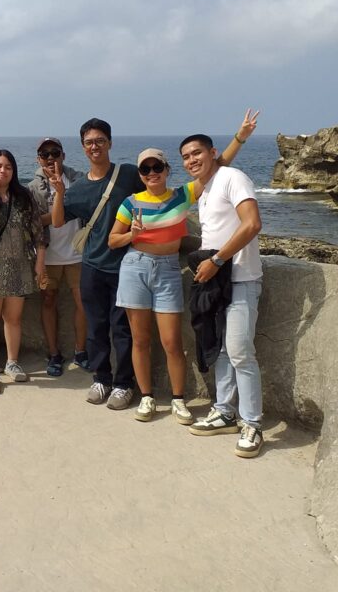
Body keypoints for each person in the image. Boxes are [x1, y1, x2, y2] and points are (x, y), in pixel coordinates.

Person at [108, 111, 256, 425]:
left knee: (172, 342)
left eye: (156, 166)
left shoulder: (181, 196)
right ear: (141, 173)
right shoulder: (131, 202)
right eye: (145, 169)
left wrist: (240, 137)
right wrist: (131, 235)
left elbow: (217, 167)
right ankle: (147, 397)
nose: (151, 172)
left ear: (166, 169)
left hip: (167, 270)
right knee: (139, 339)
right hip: (135, 267)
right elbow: (113, 240)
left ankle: (178, 400)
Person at [181, 130, 266, 458]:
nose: (191, 160)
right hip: (216, 281)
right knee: (220, 350)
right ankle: (224, 411)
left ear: (213, 153)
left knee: (241, 352)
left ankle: (253, 423)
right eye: (186, 157)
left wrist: (216, 260)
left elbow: (252, 224)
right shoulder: (205, 189)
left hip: (241, 278)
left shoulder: (232, 177)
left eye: (196, 153)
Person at [50, 119, 144, 410]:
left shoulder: (127, 174)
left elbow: (154, 194)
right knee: (96, 326)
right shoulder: (77, 189)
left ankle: (124, 384)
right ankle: (101, 378)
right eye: (89, 142)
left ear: (110, 143)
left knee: (122, 328)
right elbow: (56, 221)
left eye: (100, 141)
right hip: (91, 265)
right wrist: (60, 194)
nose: (95, 146)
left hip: (125, 264)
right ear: (83, 147)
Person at [0, 150, 47, 394]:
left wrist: (39, 262)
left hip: (20, 265)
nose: (2, 171)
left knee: (13, 318)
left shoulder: (24, 196)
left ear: (13, 172)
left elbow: (38, 232)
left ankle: (12, 363)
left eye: (8, 167)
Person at [27, 137, 87, 377]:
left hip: (77, 254)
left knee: (83, 302)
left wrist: (63, 208)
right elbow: (32, 222)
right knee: (48, 301)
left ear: (63, 155)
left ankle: (81, 351)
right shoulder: (32, 188)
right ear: (38, 159)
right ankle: (53, 353)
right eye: (45, 155)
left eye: (55, 153)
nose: (50, 159)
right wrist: (61, 210)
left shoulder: (79, 181)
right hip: (48, 255)